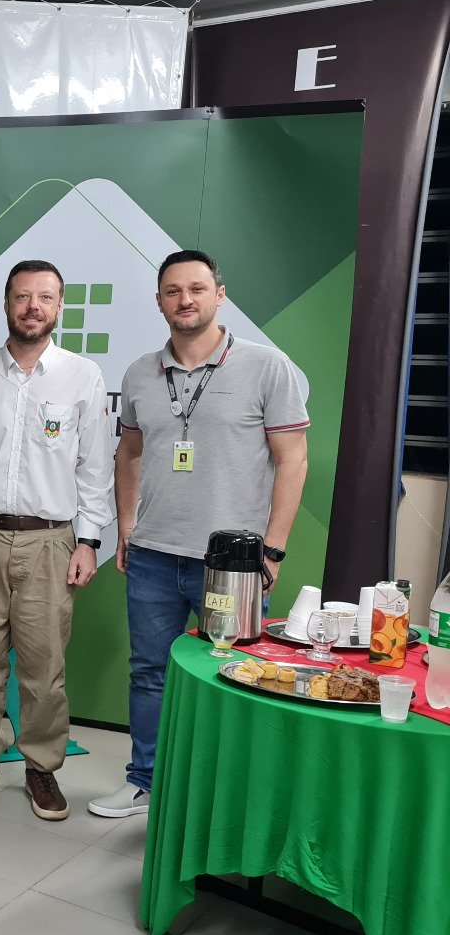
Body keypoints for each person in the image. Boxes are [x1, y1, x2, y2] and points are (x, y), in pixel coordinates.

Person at [90, 249, 309, 818]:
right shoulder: (140, 373)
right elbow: (129, 453)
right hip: (154, 556)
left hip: (233, 564)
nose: (185, 300)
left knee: (232, 676)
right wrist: (127, 527)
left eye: (196, 289)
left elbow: (293, 459)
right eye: (173, 291)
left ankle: (225, 798)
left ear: (219, 294)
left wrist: (273, 550)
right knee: (149, 673)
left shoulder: (267, 366)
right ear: (159, 302)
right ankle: (145, 782)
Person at [0, 261, 114, 820]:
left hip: (49, 541)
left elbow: (94, 468)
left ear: (59, 307)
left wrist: (89, 541)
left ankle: (41, 768)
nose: (34, 307)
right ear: (7, 303)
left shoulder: (82, 375)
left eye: (45, 298)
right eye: (23, 296)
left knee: (43, 665)